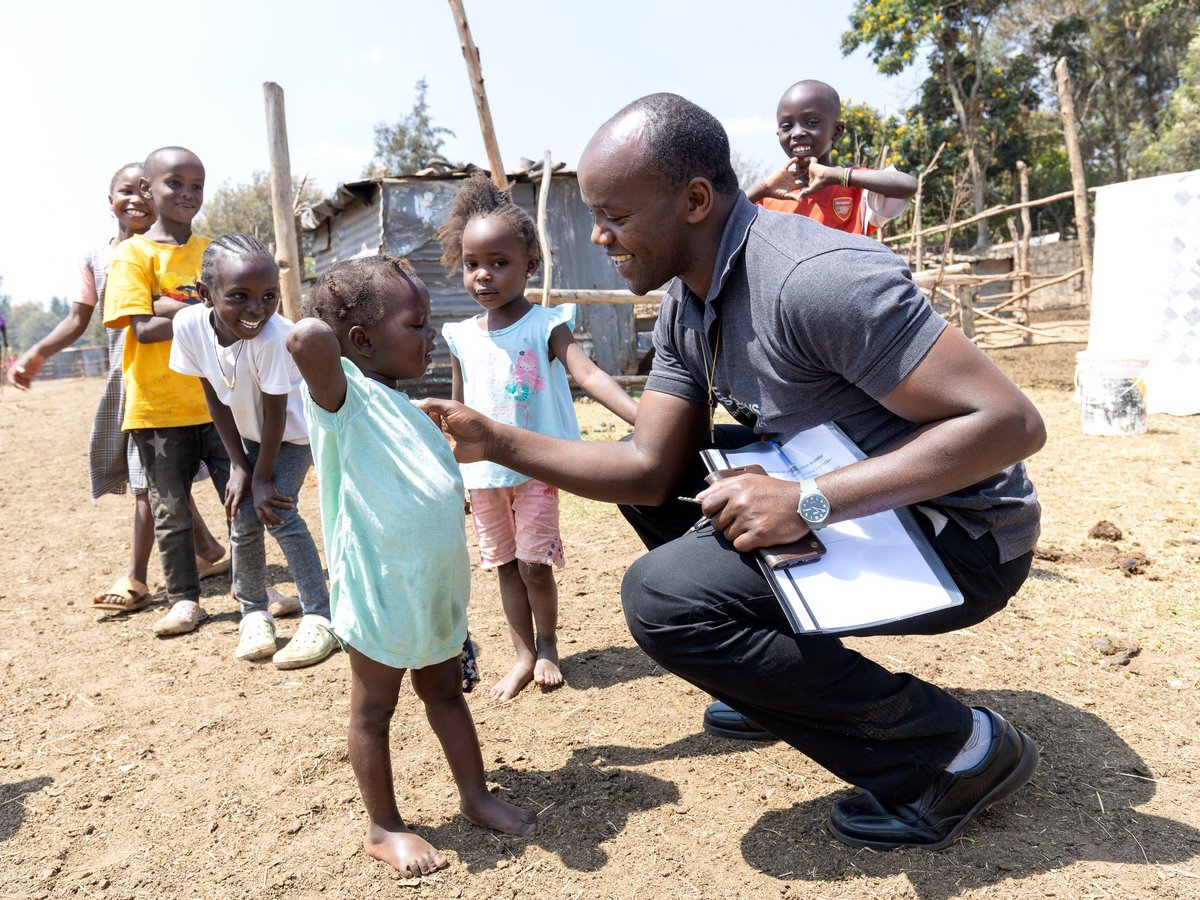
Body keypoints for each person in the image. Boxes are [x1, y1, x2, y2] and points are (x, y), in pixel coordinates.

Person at [419, 93, 1045, 852]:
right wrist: (496, 440)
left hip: (967, 535)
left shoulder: (813, 279)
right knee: (685, 472)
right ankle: (772, 681)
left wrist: (809, 502)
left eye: (614, 213)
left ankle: (955, 753)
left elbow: (1010, 424)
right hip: (858, 497)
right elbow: (650, 469)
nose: (597, 234)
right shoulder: (690, 302)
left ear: (693, 200)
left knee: (664, 601)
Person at [287, 255, 536, 877]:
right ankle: (383, 826)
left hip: (432, 589)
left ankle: (475, 796)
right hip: (378, 589)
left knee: (447, 694)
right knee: (374, 710)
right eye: (417, 323)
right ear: (364, 340)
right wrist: (324, 311)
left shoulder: (402, 404)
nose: (431, 335)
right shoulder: (341, 399)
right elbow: (307, 337)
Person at [435, 174, 638, 701]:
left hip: (537, 468)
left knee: (533, 563)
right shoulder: (459, 337)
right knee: (503, 565)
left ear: (530, 264)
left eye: (499, 263)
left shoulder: (546, 325)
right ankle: (523, 653)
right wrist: (451, 473)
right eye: (472, 264)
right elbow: (455, 415)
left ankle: (547, 644)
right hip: (482, 475)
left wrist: (640, 417)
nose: (484, 275)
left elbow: (589, 376)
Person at [7, 162, 227, 612]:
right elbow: (77, 319)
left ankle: (137, 576)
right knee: (154, 476)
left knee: (152, 479)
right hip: (130, 380)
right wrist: (37, 354)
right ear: (110, 201)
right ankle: (204, 551)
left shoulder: (184, 253)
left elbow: (188, 305)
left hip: (182, 378)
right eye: (124, 191)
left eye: (143, 192)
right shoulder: (101, 255)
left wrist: (164, 305)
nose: (135, 200)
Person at [168, 234, 335, 668]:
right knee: (241, 514)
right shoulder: (188, 326)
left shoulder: (274, 338)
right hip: (248, 435)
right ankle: (254, 613)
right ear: (206, 294)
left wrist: (261, 478)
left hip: (293, 436)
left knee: (276, 511)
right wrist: (240, 468)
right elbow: (214, 396)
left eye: (269, 296)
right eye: (239, 296)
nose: (256, 309)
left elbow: (277, 415)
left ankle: (320, 615)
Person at [103, 146, 231, 636]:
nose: (187, 193)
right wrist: (203, 309)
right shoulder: (131, 255)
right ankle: (184, 600)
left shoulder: (215, 254)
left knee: (238, 499)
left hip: (219, 399)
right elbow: (142, 328)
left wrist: (169, 304)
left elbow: (235, 314)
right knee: (170, 512)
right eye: (175, 183)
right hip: (157, 406)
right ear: (149, 190)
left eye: (196, 185)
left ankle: (256, 589)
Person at [746, 79, 917, 236]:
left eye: (811, 122)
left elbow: (908, 186)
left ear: (837, 131)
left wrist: (838, 177)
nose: (797, 133)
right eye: (786, 126)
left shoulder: (856, 188)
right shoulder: (767, 198)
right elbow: (722, 220)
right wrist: (762, 189)